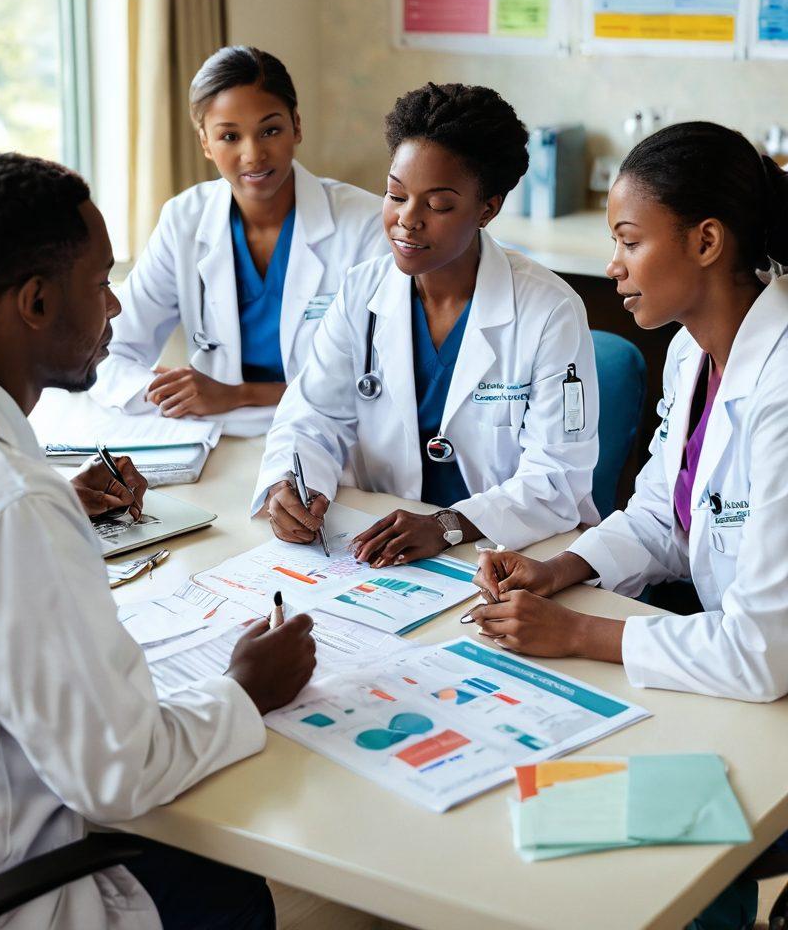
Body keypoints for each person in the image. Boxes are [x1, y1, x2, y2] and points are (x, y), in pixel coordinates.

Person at [0, 152, 316, 930]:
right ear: (37, 301)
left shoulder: (0, 485)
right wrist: (246, 688)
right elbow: (117, 773)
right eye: (98, 283)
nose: (115, 308)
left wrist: (56, 525)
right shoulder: (12, 502)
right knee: (235, 888)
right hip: (7, 894)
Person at [468, 121, 788, 709]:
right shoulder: (692, 349)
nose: (614, 265)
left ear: (706, 241)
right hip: (721, 663)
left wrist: (577, 633)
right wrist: (558, 567)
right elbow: (666, 516)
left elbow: (762, 651)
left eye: (630, 241)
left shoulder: (782, 386)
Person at [253, 82, 599, 563]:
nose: (407, 220)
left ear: (488, 208)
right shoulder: (361, 292)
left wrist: (448, 525)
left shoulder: (549, 310)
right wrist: (290, 484)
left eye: (437, 205)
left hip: (511, 549)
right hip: (386, 544)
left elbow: (556, 476)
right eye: (396, 194)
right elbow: (313, 415)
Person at [93, 46, 386, 433]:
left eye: (270, 130)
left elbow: (379, 380)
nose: (253, 154)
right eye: (230, 136)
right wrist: (167, 391)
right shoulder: (184, 219)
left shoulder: (365, 224)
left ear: (296, 126)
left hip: (332, 439)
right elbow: (112, 351)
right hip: (216, 438)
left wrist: (238, 394)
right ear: (205, 143)